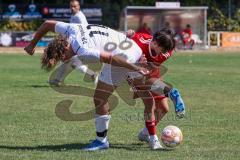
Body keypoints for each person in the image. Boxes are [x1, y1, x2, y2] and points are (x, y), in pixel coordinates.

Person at [24, 20, 184, 151]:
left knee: (100, 98)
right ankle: (153, 137)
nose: (64, 60)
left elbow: (111, 59)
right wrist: (32, 44)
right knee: (147, 98)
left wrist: (135, 67)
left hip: (122, 56)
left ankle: (102, 141)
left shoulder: (83, 49)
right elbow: (47, 24)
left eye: (63, 56)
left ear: (65, 47)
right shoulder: (71, 29)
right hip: (129, 46)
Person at [126, 29, 184, 149]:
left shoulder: (166, 51)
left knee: (163, 108)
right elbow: (121, 47)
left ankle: (145, 133)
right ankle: (153, 139)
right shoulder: (138, 42)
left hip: (152, 75)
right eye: (162, 50)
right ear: (155, 43)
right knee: (150, 103)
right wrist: (127, 36)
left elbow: (154, 65)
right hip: (133, 74)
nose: (163, 53)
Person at [49, 0, 92, 86]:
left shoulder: (79, 17)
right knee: (69, 62)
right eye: (71, 6)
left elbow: (86, 30)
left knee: (70, 62)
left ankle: (92, 74)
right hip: (75, 44)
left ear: (78, 7)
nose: (72, 8)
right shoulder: (74, 16)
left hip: (80, 44)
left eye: (74, 6)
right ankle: (57, 80)